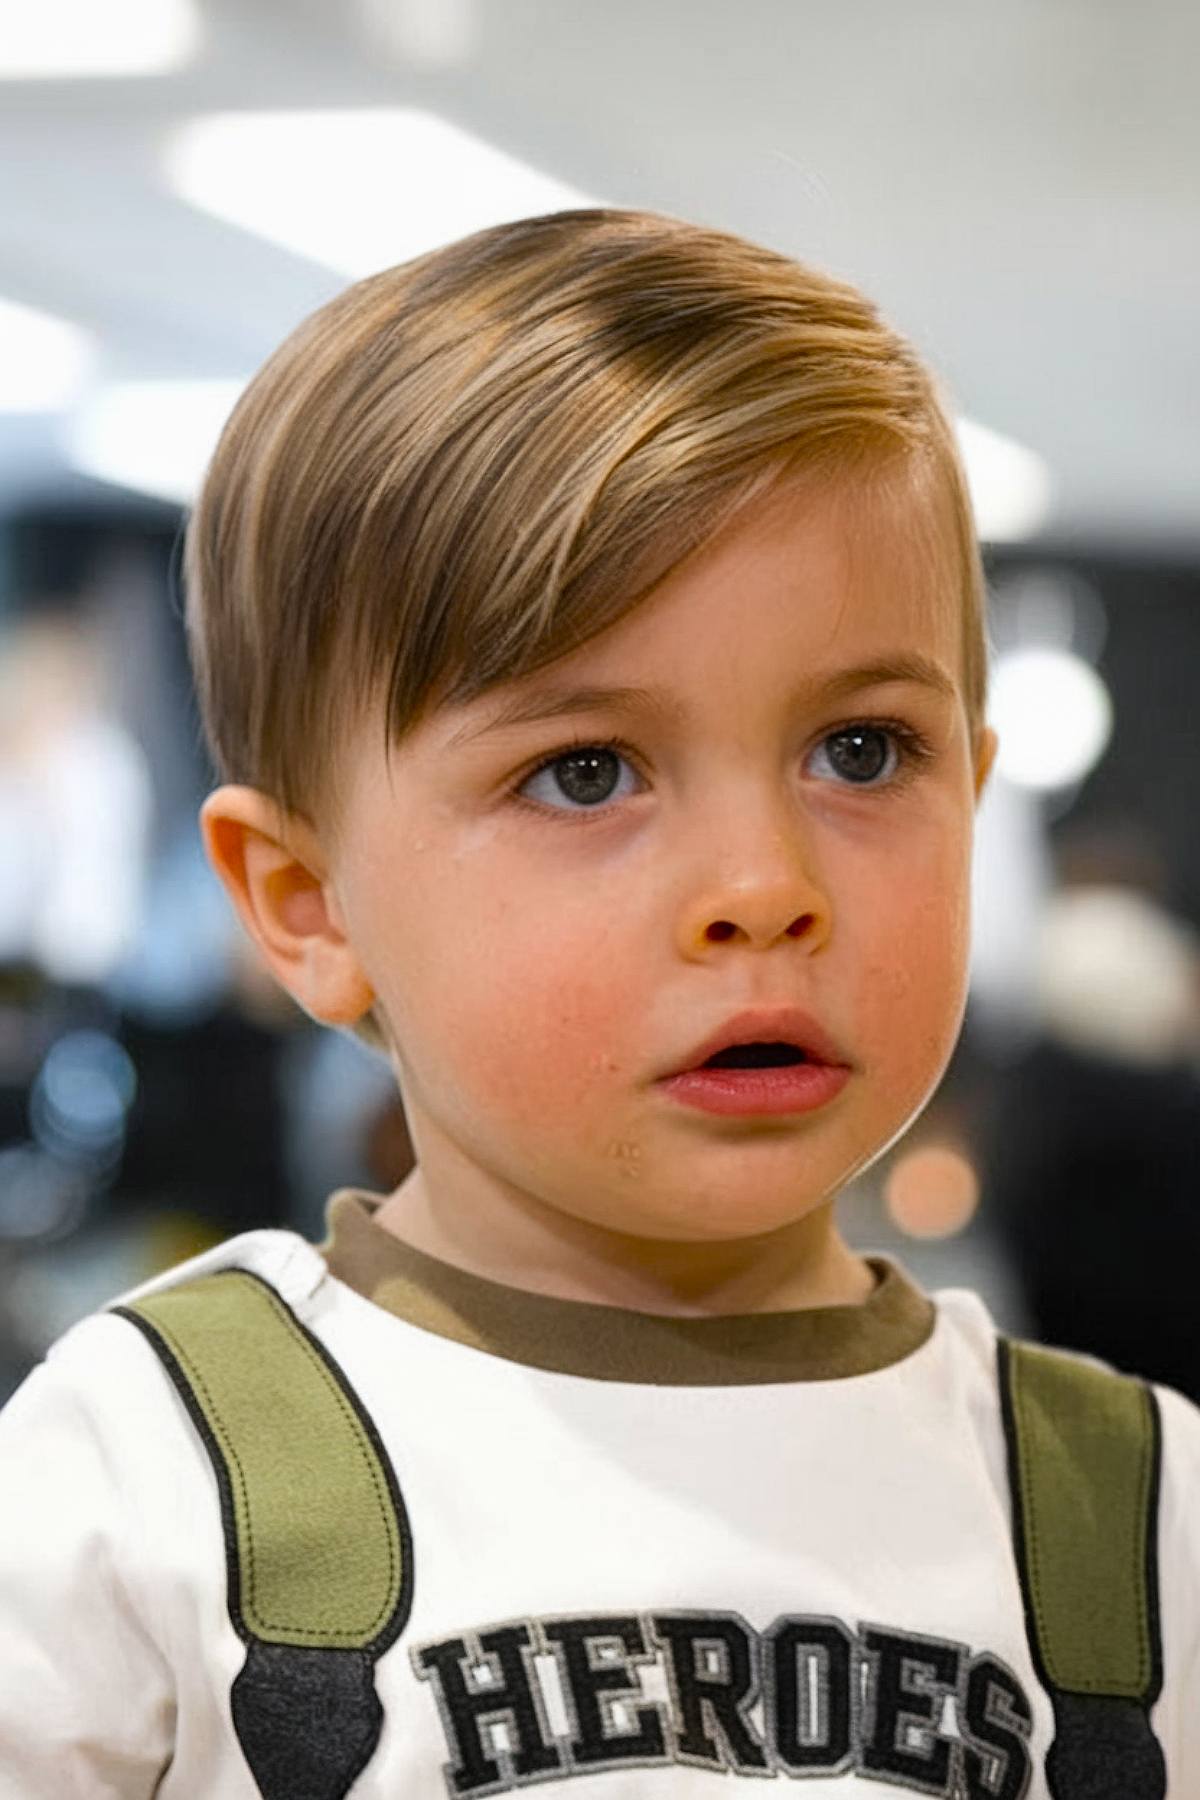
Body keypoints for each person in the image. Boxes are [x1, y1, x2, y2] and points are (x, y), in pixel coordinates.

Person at [1, 206, 1197, 1798]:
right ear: (310, 905)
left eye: (862, 752)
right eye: (585, 773)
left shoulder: (1140, 1518)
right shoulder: (141, 1474)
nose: (764, 883)